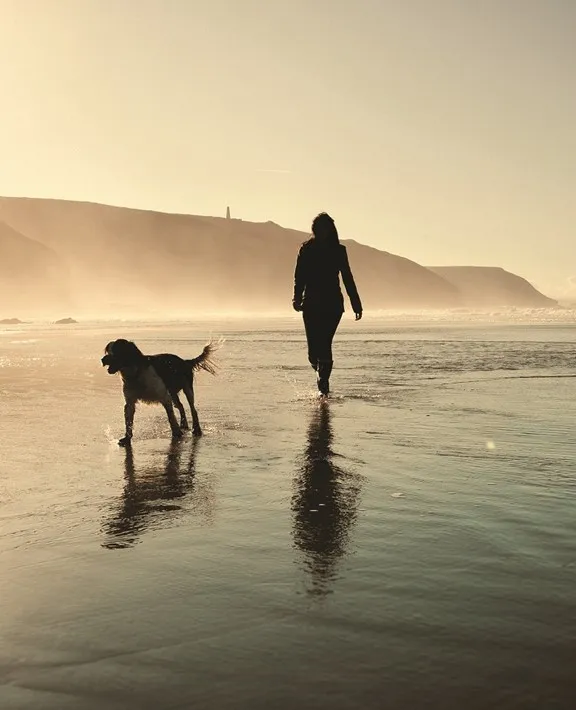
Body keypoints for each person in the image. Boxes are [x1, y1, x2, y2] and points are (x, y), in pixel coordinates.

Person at [292, 212, 362, 395]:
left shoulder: (339, 250)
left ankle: (323, 382)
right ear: (314, 230)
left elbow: (347, 277)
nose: (321, 232)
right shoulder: (306, 249)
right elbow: (300, 277)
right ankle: (320, 374)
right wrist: (296, 298)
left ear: (330, 230)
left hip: (332, 304)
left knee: (324, 344)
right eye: (318, 229)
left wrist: (356, 303)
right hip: (311, 304)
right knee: (312, 353)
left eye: (325, 229)